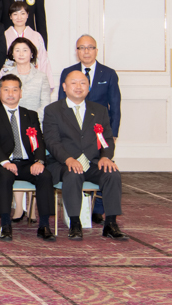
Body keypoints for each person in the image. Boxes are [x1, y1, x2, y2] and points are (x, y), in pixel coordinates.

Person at [44, 70, 127, 240]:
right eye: (73, 83)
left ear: (88, 88)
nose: (78, 86)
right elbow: (52, 141)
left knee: (112, 173)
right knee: (73, 174)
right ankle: (75, 223)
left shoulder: (99, 110)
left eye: (83, 83)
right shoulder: (53, 110)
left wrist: (105, 157)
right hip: (63, 163)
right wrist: (68, 159)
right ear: (64, 87)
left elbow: (107, 139)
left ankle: (110, 223)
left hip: (92, 162)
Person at [0, 74, 56, 242]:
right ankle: (5, 224)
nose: (11, 93)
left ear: (21, 93)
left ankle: (44, 225)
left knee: (44, 175)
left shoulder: (30, 115)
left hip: (25, 163)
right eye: (6, 89)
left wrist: (39, 161)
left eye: (15, 90)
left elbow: (38, 141)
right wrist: (5, 162)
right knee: (5, 175)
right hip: (0, 164)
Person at [59, 35, 121, 138]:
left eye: (90, 47)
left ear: (96, 51)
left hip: (100, 129)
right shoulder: (68, 72)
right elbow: (61, 103)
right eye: (82, 48)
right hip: (73, 129)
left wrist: (113, 134)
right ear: (77, 51)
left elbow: (115, 106)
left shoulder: (109, 74)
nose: (86, 51)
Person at [0, 37, 54, 121]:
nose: (21, 54)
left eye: (25, 50)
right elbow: (4, 103)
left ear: (31, 53)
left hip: (36, 122)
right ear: (12, 54)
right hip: (13, 122)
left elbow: (45, 104)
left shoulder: (41, 76)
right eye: (17, 50)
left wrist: (32, 119)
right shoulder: (6, 77)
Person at [4, 2, 51, 80]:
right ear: (10, 16)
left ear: (27, 15)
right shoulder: (4, 36)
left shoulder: (36, 36)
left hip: (33, 78)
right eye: (15, 14)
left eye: (22, 13)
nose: (19, 17)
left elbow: (43, 60)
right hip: (10, 78)